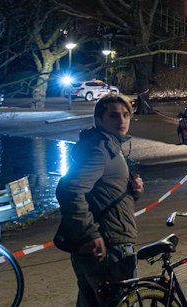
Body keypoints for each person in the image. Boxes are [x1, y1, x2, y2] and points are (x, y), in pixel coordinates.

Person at [55, 94, 143, 307]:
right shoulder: (100, 150)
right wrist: (89, 234)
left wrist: (135, 189)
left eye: (125, 115)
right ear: (99, 120)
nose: (121, 120)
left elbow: (105, 192)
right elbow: (69, 189)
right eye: (113, 115)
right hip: (110, 248)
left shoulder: (110, 147)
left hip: (106, 244)